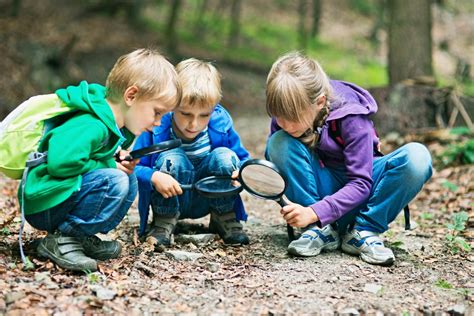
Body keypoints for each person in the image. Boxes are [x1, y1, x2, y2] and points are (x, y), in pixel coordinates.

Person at [20, 48, 181, 271]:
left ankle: (78, 236)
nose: (158, 122)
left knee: (127, 177)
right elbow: (60, 163)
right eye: (157, 112)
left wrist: (115, 158)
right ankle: (61, 239)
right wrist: (108, 164)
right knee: (115, 180)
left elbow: (91, 158)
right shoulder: (91, 123)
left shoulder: (111, 125)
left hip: (59, 197)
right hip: (44, 202)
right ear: (131, 96)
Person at [265, 52, 432, 265]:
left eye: (292, 118)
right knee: (279, 142)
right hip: (318, 195)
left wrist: (315, 212)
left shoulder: (351, 116)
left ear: (320, 102)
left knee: (418, 157)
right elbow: (280, 168)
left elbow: (361, 183)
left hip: (361, 196)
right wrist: (252, 175)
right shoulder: (285, 119)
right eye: (278, 117)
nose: (285, 124)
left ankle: (363, 231)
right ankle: (319, 231)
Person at [134, 58, 251, 248]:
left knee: (225, 156)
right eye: (185, 114)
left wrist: (242, 173)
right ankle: (164, 221)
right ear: (172, 105)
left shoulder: (221, 124)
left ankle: (223, 216)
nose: (193, 124)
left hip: (208, 196)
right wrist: (154, 176)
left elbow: (244, 159)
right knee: (172, 157)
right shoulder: (156, 126)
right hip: (171, 196)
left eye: (204, 115)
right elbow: (134, 167)